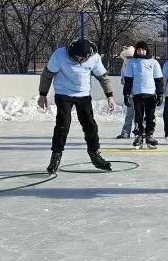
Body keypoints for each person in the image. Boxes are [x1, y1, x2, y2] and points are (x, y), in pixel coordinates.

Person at [37, 38, 115, 174]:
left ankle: (95, 154)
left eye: (82, 58)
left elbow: (103, 77)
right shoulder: (60, 55)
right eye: (76, 57)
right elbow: (47, 75)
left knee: (90, 125)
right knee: (63, 125)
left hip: (83, 94)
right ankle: (55, 157)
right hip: (63, 93)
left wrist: (110, 96)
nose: (79, 60)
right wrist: (43, 94)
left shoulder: (94, 57)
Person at [122, 41, 164, 149]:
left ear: (146, 50)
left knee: (150, 116)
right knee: (138, 116)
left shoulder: (153, 62)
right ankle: (139, 135)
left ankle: (149, 135)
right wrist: (126, 94)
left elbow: (159, 79)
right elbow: (128, 80)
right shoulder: (132, 63)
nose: (141, 51)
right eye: (139, 49)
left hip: (150, 94)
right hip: (137, 93)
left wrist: (160, 94)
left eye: (143, 49)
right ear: (136, 50)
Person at [115, 45, 136, 138]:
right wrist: (123, 79)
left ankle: (138, 131)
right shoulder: (124, 64)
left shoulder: (136, 64)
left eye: (131, 56)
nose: (129, 58)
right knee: (129, 114)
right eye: (127, 57)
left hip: (138, 92)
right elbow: (123, 77)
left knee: (139, 114)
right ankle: (125, 132)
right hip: (129, 92)